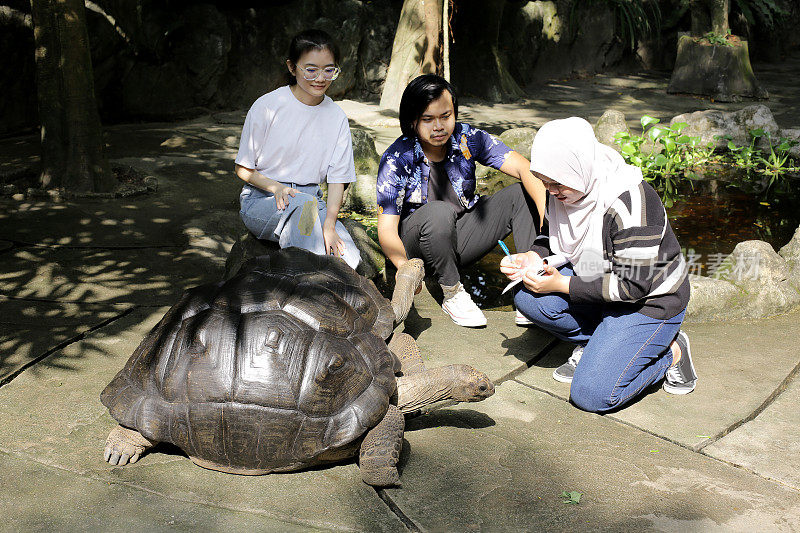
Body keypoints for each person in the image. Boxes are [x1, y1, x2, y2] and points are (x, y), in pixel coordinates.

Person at [500, 117, 697, 414]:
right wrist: (532, 257)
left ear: (578, 168)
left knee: (592, 395)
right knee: (528, 297)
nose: (551, 191)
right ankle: (604, 345)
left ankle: (672, 351)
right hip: (596, 281)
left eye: (557, 183)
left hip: (648, 302)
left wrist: (561, 284)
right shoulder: (568, 187)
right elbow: (550, 235)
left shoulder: (630, 202)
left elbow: (633, 285)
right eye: (545, 182)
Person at [376, 74, 547, 327]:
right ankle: (453, 292)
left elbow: (526, 169)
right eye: (428, 119)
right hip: (418, 245)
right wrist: (405, 269)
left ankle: (527, 289)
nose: (439, 126)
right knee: (438, 212)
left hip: (460, 236)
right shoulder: (396, 158)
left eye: (446, 116)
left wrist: (545, 229)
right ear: (412, 121)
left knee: (520, 193)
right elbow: (387, 229)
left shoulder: (467, 138)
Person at [234, 29, 360, 269]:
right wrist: (276, 187)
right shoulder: (268, 106)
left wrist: (330, 226)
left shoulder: (337, 117)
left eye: (329, 70)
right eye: (311, 69)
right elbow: (243, 168)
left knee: (348, 258)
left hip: (312, 201)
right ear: (292, 67)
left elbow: (337, 180)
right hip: (264, 199)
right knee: (305, 221)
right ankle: (303, 291)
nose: (320, 78)